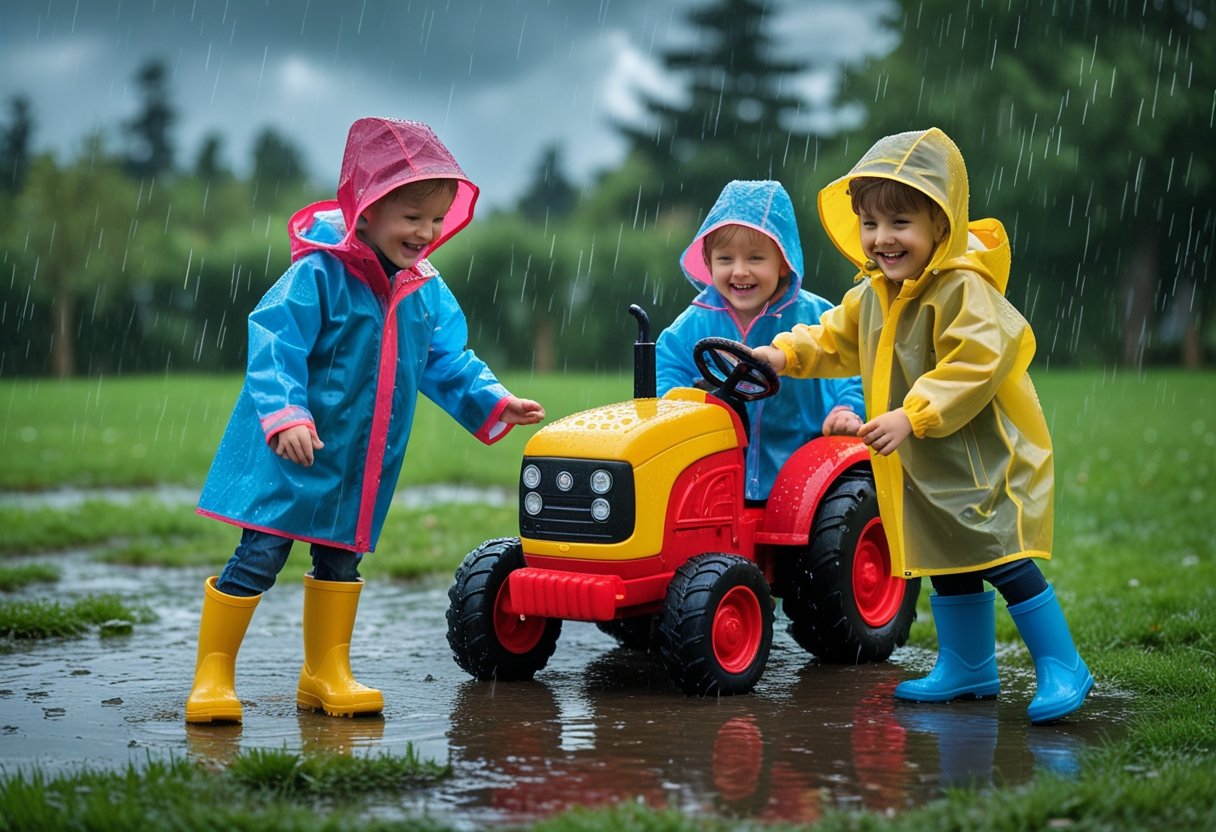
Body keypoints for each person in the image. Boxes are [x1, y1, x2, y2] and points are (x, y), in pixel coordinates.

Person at [186, 117, 545, 724]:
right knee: (260, 555)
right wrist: (285, 414)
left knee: (341, 560)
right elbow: (277, 344)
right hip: (293, 448)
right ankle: (213, 675)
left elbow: (446, 357)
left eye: (436, 220)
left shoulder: (424, 288)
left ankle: (325, 672)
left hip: (359, 458)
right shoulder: (319, 274)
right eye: (411, 218)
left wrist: (492, 400)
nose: (426, 233)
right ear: (368, 209)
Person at [751, 128, 1093, 724]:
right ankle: (969, 666)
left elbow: (974, 363)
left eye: (900, 222)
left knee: (998, 556)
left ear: (942, 225)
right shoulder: (874, 295)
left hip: (980, 458)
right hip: (928, 461)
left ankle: (1063, 664)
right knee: (945, 556)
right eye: (871, 225)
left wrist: (913, 414)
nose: (883, 239)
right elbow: (833, 337)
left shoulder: (963, 290)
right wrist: (784, 354)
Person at [656, 179, 865, 501]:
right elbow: (667, 374)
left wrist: (846, 409)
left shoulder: (818, 316)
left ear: (783, 262)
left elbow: (852, 366)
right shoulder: (689, 326)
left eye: (755, 259)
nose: (740, 271)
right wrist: (676, 402)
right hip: (717, 472)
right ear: (709, 263)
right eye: (725, 259)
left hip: (807, 471)